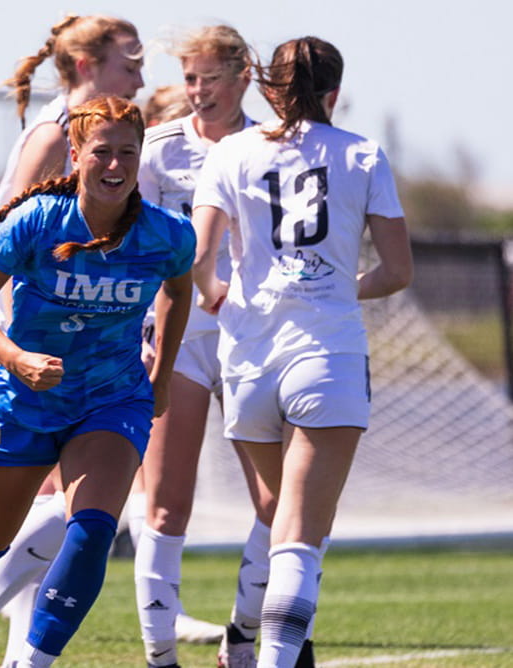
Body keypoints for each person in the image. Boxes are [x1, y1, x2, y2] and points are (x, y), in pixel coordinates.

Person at [0, 95, 196, 668]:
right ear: (76, 154)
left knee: (91, 532)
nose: (115, 165)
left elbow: (179, 291)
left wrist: (160, 375)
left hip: (112, 400)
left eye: (128, 153)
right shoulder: (37, 221)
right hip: (25, 402)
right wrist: (15, 358)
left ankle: (34, 661)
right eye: (102, 151)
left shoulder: (167, 234)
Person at [191, 36, 412, 668]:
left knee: (280, 519)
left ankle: (248, 640)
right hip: (325, 355)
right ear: (335, 93)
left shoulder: (230, 151)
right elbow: (397, 271)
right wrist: (339, 285)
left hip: (248, 359)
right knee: (300, 537)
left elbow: (198, 257)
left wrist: (212, 293)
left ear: (267, 90)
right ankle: (274, 656)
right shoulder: (362, 154)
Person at [0, 16, 146, 667]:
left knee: (68, 503)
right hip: (29, 343)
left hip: (83, 347)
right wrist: (18, 345)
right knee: (58, 503)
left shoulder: (101, 136)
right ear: (86, 65)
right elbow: (2, 238)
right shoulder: (56, 133)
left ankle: (9, 645)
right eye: (129, 64)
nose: (140, 77)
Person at [130, 25, 271, 668]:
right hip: (178, 339)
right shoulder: (157, 148)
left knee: (276, 501)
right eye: (190, 78)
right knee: (165, 503)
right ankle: (161, 656)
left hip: (253, 339)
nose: (198, 90)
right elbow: (137, 248)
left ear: (244, 77)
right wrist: (143, 330)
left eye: (211, 77)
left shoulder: (270, 147)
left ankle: (244, 636)